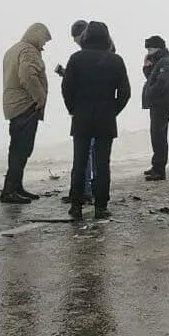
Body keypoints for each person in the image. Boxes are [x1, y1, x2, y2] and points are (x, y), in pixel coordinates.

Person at [61, 21, 131, 220]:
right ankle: (101, 206)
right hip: (105, 121)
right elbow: (125, 93)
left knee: (80, 162)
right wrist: (112, 111)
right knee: (102, 164)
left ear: (86, 37)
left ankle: (76, 206)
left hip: (82, 119)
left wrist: (74, 109)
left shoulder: (76, 59)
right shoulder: (116, 61)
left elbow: (67, 88)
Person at [1, 22, 52, 203]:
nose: (44, 45)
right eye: (44, 40)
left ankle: (16, 186)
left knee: (18, 148)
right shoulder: (29, 51)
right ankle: (9, 190)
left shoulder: (14, 49)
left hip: (14, 106)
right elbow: (27, 75)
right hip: (25, 106)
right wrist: (40, 97)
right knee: (21, 149)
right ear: (37, 35)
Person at [55, 20, 94, 204]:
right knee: (94, 154)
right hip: (100, 113)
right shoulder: (108, 54)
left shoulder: (82, 57)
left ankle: (82, 192)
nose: (76, 42)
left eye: (77, 38)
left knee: (84, 153)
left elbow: (72, 86)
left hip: (85, 112)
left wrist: (73, 107)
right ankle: (91, 191)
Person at [142, 35, 169, 181]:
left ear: (158, 48)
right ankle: (156, 165)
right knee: (157, 135)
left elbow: (161, 83)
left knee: (159, 136)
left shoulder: (165, 62)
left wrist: (150, 94)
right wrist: (147, 67)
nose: (149, 52)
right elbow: (152, 78)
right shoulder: (161, 61)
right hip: (160, 104)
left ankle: (159, 169)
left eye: (150, 49)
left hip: (162, 105)